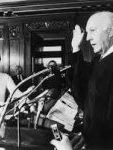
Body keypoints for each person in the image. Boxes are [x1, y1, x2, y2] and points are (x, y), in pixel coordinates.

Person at [51, 11, 113, 150]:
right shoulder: (99, 59)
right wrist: (75, 48)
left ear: (110, 31)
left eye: (93, 30)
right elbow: (80, 92)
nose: (88, 38)